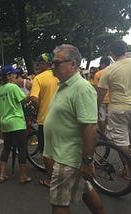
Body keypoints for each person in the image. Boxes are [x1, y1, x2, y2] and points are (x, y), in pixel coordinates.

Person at [44, 44, 105, 214]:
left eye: (57, 63)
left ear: (73, 64)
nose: (53, 67)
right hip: (64, 154)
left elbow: (89, 127)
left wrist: (87, 161)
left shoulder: (81, 88)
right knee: (86, 191)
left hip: (68, 157)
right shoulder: (64, 85)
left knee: (59, 203)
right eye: (52, 63)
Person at [97, 40, 131, 174]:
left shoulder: (109, 70)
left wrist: (96, 108)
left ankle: (128, 170)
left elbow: (101, 93)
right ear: (125, 50)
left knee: (121, 140)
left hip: (118, 108)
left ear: (112, 54)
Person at [0, 65, 32, 184]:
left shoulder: (0, 89)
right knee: (21, 148)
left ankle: (2, 174)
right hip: (17, 121)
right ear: (9, 75)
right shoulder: (13, 87)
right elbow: (25, 100)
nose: (16, 75)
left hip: (5, 122)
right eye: (14, 73)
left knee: (6, 147)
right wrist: (33, 90)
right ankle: (23, 176)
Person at [29, 53, 58, 188]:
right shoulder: (60, 75)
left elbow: (34, 98)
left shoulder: (39, 78)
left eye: (39, 64)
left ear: (45, 64)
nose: (37, 66)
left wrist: (37, 108)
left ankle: (50, 179)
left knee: (46, 151)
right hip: (64, 118)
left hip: (46, 119)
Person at [93, 56, 111, 133]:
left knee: (101, 119)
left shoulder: (98, 74)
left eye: (100, 63)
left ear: (103, 63)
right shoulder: (113, 72)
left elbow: (97, 89)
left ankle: (104, 135)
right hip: (112, 100)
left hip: (101, 100)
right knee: (109, 118)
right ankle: (109, 134)